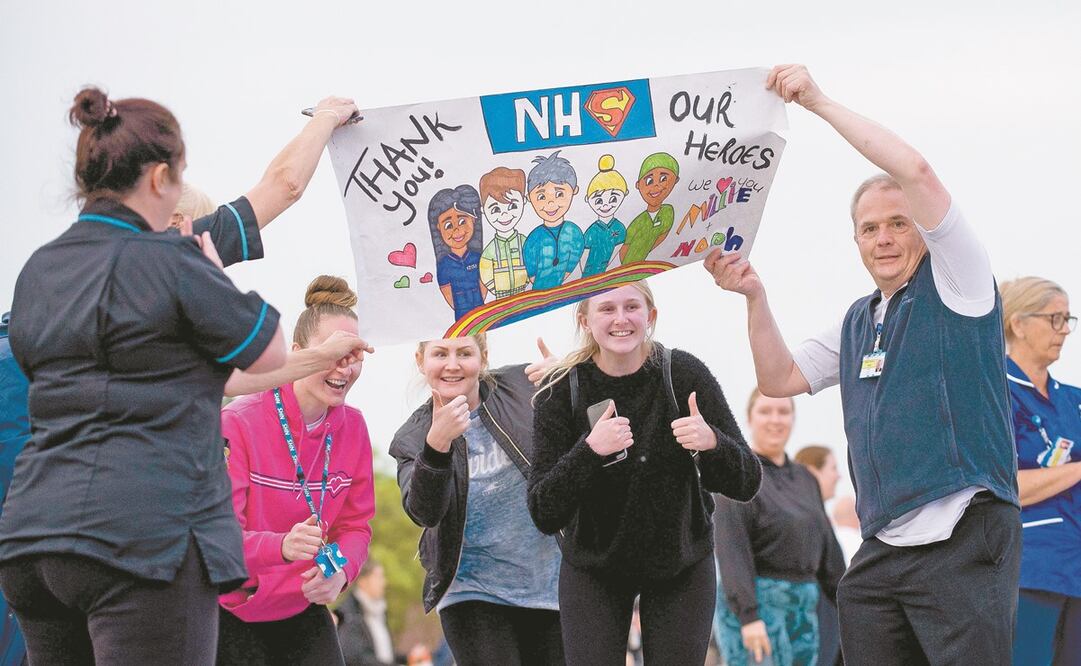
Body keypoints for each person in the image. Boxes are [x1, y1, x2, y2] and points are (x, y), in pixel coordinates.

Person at [0, 87, 359, 665]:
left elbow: (188, 380)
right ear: (163, 178)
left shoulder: (41, 268)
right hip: (139, 535)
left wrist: (317, 360)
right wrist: (326, 118)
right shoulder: (178, 255)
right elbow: (264, 351)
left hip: (33, 539)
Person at [707, 64, 1021, 664]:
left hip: (962, 530)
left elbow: (916, 170)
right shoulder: (858, 321)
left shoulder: (960, 282)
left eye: (898, 223)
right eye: (868, 228)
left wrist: (819, 103)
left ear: (925, 232)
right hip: (884, 548)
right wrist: (754, 297)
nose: (883, 238)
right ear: (855, 241)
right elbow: (779, 378)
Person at [529, 281, 761, 664]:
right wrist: (589, 450)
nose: (621, 319)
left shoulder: (682, 373)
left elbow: (747, 480)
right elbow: (543, 510)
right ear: (584, 320)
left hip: (680, 561)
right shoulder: (561, 388)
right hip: (594, 565)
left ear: (650, 316)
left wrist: (712, 442)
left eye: (632, 307)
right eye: (607, 309)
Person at [217, 276, 375, 666]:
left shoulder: (353, 427)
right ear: (298, 354)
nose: (345, 368)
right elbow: (216, 539)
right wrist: (280, 546)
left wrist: (339, 571)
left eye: (354, 355)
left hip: (301, 606)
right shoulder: (236, 422)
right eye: (333, 353)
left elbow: (355, 527)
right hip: (230, 611)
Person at [389, 336, 564, 666]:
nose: (452, 365)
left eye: (464, 353)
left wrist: (570, 380)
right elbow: (424, 511)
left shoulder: (523, 386)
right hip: (472, 590)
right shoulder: (411, 438)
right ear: (421, 360)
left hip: (548, 584)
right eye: (440, 354)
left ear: (483, 357)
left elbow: (587, 432)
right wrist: (436, 447)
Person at [714, 390, 844, 666]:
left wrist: (852, 604)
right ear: (749, 418)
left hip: (803, 606)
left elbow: (829, 554)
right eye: (765, 411)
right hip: (756, 607)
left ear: (793, 419)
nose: (775, 419)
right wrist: (749, 617)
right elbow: (731, 549)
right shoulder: (737, 472)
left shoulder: (806, 479)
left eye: (783, 412)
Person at [1000, 277, 1080, 665]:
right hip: (1028, 570)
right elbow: (1005, 485)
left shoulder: (1073, 401)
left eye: (1068, 320)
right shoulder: (994, 393)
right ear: (1018, 323)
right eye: (1055, 319)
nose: (1064, 330)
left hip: (1076, 570)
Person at [794, 444, 846, 666]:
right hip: (816, 623)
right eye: (832, 468)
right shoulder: (807, 519)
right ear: (812, 472)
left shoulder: (816, 516)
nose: (839, 476)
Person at [428, 185, 487, 321]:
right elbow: (446, 291)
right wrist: (461, 306)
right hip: (461, 314)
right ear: (438, 227)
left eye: (462, 221)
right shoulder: (444, 265)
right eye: (448, 225)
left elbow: (483, 283)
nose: (457, 230)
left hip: (481, 309)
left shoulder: (477, 257)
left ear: (473, 220)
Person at [337, 559, 400, 666]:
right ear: (363, 581)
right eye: (379, 577)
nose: (384, 582)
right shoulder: (348, 613)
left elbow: (384, 655)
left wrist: (408, 658)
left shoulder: (379, 610)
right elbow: (356, 657)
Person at [581, 155, 628, 278]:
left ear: (625, 194)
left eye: (613, 198)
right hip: (588, 275)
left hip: (608, 275)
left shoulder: (620, 228)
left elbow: (616, 254)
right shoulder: (592, 231)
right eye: (599, 201)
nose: (606, 205)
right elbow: (584, 256)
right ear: (588, 200)